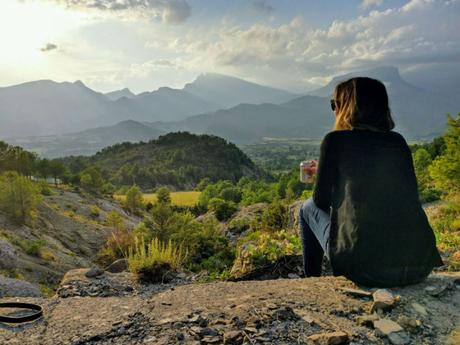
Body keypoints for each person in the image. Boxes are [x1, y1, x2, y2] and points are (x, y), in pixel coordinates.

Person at [298, 77, 443, 287]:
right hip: (418, 267)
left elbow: (321, 202)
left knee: (306, 207)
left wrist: (327, 176)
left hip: (366, 270)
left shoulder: (335, 141)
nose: (334, 110)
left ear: (345, 107)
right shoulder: (398, 142)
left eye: (334, 104)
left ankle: (310, 282)